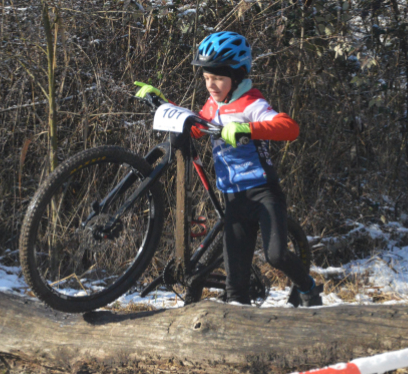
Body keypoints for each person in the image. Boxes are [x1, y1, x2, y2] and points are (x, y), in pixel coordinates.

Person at [135, 31, 323, 307]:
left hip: (263, 193)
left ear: (236, 76)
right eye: (207, 78)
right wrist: (165, 104)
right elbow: (198, 128)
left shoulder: (252, 103)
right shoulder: (214, 104)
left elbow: (289, 128)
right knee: (236, 289)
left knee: (276, 256)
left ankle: (308, 287)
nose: (211, 85)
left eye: (218, 78)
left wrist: (247, 128)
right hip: (233, 200)